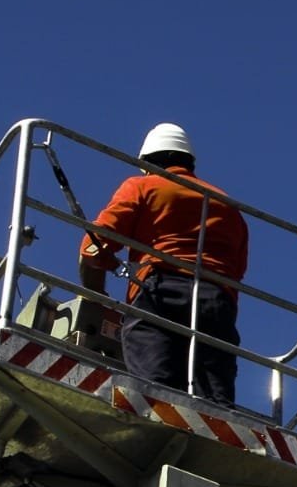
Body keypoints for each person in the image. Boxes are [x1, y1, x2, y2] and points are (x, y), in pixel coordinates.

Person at [78, 123, 249, 407]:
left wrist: (95, 296)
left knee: (156, 394)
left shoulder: (143, 185)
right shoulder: (229, 207)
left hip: (159, 293)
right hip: (217, 303)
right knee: (216, 402)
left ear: (147, 162)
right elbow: (236, 269)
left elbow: (93, 247)